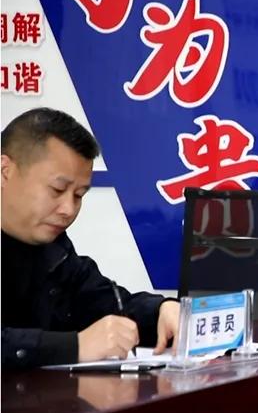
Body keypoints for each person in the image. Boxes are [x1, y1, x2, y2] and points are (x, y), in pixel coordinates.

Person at [2, 107, 180, 369]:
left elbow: (107, 304)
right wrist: (75, 346)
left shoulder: (56, 252)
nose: (68, 209)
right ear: (5, 170)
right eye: (57, 189)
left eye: (79, 195)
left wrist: (161, 311)